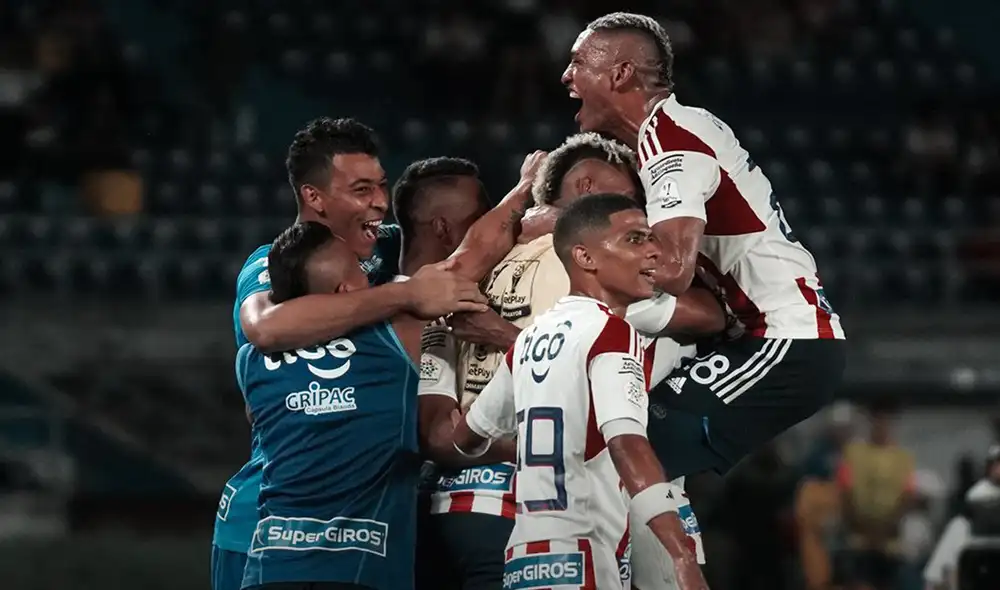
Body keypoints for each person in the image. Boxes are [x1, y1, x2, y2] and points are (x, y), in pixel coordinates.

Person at [212, 118, 543, 590]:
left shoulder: (384, 247)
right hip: (262, 521)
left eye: (382, 186)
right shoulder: (271, 265)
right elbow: (267, 327)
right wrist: (405, 298)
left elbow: (459, 247)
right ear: (315, 197)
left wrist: (535, 213)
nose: (379, 203)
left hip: (369, 525)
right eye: (361, 189)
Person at [560, 12, 847, 478]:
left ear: (620, 74)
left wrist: (572, 235)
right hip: (759, 335)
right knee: (628, 442)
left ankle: (651, 548)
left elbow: (672, 270)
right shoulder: (665, 137)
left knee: (634, 445)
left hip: (785, 338)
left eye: (578, 63)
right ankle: (665, 541)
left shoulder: (672, 139)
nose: (567, 76)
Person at [433, 134, 721, 590]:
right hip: (585, 555)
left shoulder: (529, 341)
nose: (652, 251)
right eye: (634, 238)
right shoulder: (612, 332)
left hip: (524, 557)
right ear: (585, 255)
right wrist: (678, 550)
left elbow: (463, 438)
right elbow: (628, 445)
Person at [238, 221, 426, 590]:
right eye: (359, 267)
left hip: (269, 568)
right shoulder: (397, 339)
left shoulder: (249, 361)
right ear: (344, 291)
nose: (368, 273)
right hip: (362, 571)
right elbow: (459, 273)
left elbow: (255, 414)